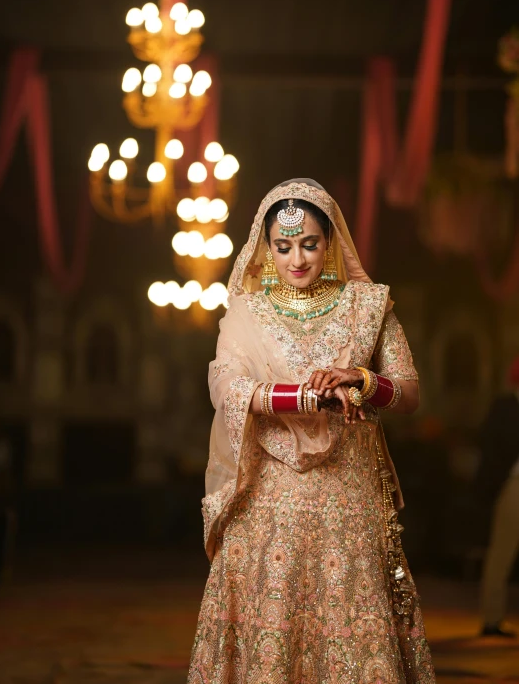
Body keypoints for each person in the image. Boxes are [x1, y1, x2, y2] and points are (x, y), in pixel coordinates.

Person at [187, 179, 435, 683]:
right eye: (283, 246)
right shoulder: (246, 311)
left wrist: (363, 381)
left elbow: (409, 393)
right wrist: (304, 396)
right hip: (268, 497)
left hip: (349, 494)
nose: (296, 258)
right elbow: (225, 387)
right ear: (267, 248)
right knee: (271, 620)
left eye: (309, 244)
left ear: (331, 243)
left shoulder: (366, 306)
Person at [478, 356, 519, 638]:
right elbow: (492, 448)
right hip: (513, 484)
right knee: (502, 552)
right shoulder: (505, 407)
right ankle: (491, 619)